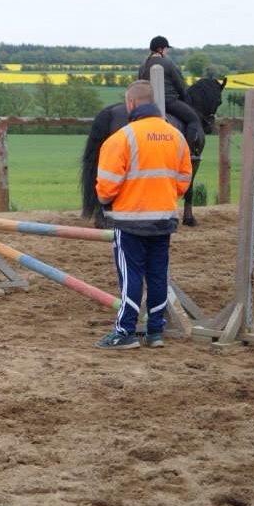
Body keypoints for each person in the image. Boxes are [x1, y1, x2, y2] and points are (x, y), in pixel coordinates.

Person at [94, 80, 193, 350]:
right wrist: (165, 196)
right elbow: (184, 178)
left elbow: (106, 186)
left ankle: (125, 331)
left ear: (131, 103)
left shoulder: (122, 138)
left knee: (132, 275)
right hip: (163, 218)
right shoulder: (177, 136)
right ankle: (155, 332)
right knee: (158, 275)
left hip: (130, 220)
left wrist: (108, 201)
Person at [138, 36, 202, 145]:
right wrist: (186, 100)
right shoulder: (168, 63)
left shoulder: (143, 66)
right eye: (166, 49)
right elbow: (180, 85)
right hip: (169, 102)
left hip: (146, 104)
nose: (167, 51)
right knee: (194, 120)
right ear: (160, 49)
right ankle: (189, 150)